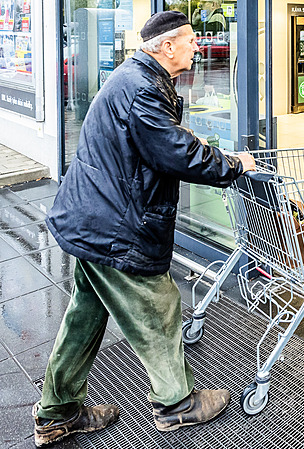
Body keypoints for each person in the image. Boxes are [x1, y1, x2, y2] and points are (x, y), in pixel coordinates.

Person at [31, 11, 256, 448]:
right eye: (190, 40)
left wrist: (187, 139)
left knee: (84, 317)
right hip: (116, 224)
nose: (198, 45)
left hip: (95, 215)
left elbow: (155, 139)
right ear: (167, 46)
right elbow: (175, 154)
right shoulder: (142, 88)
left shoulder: (137, 79)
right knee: (159, 307)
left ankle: (56, 414)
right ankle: (175, 404)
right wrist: (232, 165)